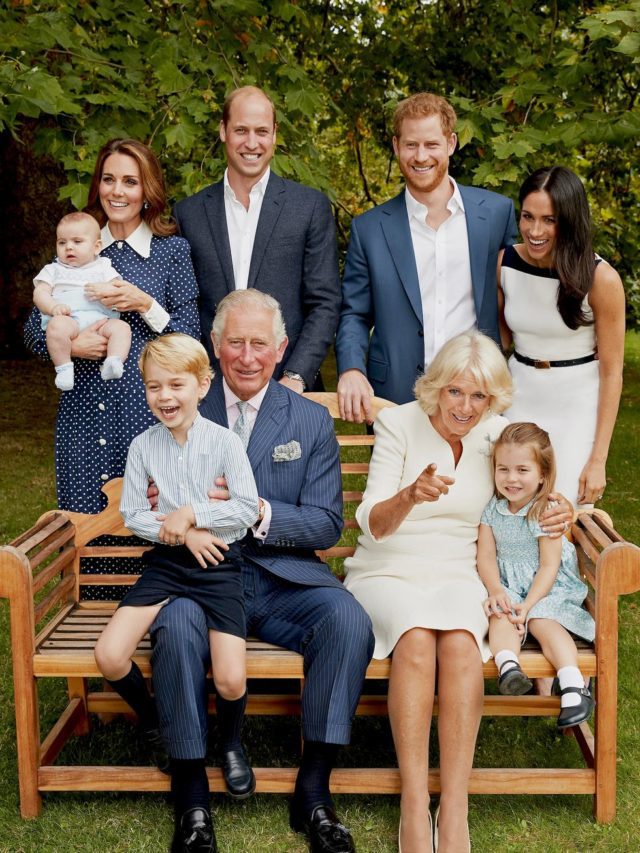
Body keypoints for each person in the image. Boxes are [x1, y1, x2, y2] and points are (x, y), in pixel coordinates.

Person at [149, 290, 374, 853]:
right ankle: (193, 796)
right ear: (215, 346)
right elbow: (151, 492)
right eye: (235, 342)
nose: (247, 357)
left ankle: (314, 791)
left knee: (347, 620)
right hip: (199, 576)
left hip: (281, 577)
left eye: (259, 344)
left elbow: (325, 526)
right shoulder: (181, 405)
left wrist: (258, 512)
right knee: (175, 629)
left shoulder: (307, 420)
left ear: (281, 350)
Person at [342, 332, 572, 852]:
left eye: (478, 396)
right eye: (454, 392)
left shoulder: (497, 436)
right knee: (418, 639)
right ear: (436, 387)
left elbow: (535, 484)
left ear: (493, 401)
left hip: (461, 570)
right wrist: (409, 494)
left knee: (464, 647)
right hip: (389, 567)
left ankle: (457, 805)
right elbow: (372, 524)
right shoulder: (398, 423)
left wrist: (561, 509)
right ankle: (414, 804)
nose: (465, 407)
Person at [94, 334, 259, 853]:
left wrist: (196, 515)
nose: (165, 396)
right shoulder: (143, 446)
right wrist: (180, 530)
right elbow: (134, 515)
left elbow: (247, 507)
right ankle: (159, 723)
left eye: (177, 385)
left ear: (203, 385)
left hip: (217, 566)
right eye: (153, 387)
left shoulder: (226, 443)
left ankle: (230, 742)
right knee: (109, 654)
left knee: (231, 679)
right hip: (168, 564)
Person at [24, 138, 200, 514]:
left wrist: (146, 304)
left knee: (152, 526)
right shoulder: (76, 245)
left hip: (147, 413)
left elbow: (190, 335)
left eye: (130, 181)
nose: (117, 191)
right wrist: (70, 348)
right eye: (108, 179)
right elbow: (31, 330)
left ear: (147, 190)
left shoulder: (171, 252)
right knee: (85, 526)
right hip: (83, 413)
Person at [335, 91, 517, 422]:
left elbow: (517, 294)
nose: (421, 156)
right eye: (411, 145)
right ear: (395, 146)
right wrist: (350, 368)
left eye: (431, 144)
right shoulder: (370, 228)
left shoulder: (495, 214)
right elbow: (354, 314)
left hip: (478, 395)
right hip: (395, 396)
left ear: (451, 143)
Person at [173, 85, 341, 393]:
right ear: (223, 130)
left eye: (261, 131)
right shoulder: (188, 213)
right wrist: (200, 375)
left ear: (275, 134)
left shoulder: (309, 207)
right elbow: (185, 305)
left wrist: (297, 376)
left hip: (288, 386)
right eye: (241, 130)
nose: (252, 143)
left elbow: (325, 303)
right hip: (210, 390)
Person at [497, 166, 625, 508]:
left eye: (549, 220)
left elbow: (612, 372)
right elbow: (500, 343)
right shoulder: (505, 264)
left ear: (569, 221)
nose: (535, 231)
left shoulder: (601, 279)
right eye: (527, 216)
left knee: (563, 513)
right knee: (510, 508)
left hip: (576, 406)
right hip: (518, 397)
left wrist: (598, 460)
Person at [477, 422, 595, 729]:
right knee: (500, 615)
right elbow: (487, 557)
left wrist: (528, 606)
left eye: (522, 470)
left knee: (542, 621)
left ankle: (572, 685)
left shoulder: (546, 509)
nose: (511, 478)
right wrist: (495, 590)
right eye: (503, 469)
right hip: (509, 586)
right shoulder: (492, 510)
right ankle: (509, 668)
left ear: (542, 473)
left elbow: (549, 566)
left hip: (547, 588)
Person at [33, 212, 131, 390]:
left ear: (96, 247)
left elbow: (119, 289)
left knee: (122, 328)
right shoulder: (53, 270)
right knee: (56, 327)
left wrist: (107, 289)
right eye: (62, 242)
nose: (69, 247)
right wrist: (53, 306)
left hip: (101, 320)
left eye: (77, 242)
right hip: (68, 319)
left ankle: (114, 361)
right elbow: (40, 293)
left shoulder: (104, 267)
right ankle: (63, 367)